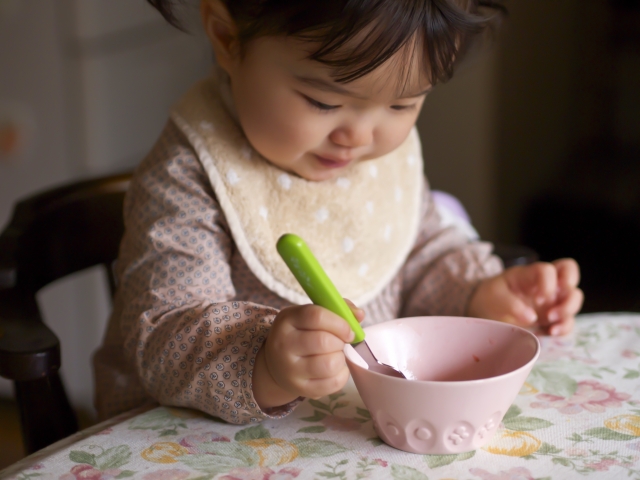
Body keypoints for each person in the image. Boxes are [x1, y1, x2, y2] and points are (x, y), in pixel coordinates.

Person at [93, 0, 583, 425]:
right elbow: (163, 334)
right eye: (324, 101)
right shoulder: (188, 173)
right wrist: (264, 362)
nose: (360, 135)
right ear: (227, 38)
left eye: (402, 105)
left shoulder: (373, 155)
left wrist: (481, 295)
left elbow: (422, 254)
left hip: (346, 434)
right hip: (190, 442)